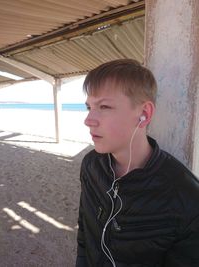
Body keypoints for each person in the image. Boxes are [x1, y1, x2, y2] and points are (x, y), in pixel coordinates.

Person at [75, 59, 199, 267]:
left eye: (104, 106)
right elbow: (85, 235)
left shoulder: (186, 197)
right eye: (89, 107)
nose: (88, 120)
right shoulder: (91, 165)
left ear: (144, 114)